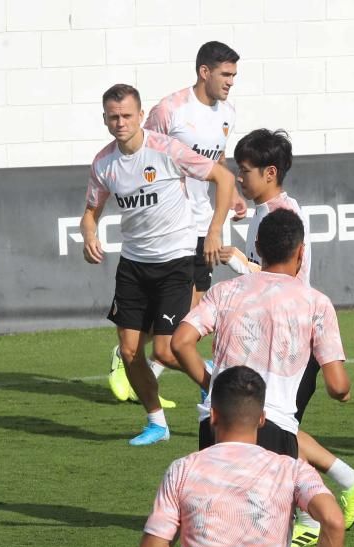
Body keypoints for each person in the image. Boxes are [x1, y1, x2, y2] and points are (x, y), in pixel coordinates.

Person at [222, 128, 354, 547]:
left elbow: (288, 281)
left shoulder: (283, 216)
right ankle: (348, 480)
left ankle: (310, 515)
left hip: (293, 345)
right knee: (276, 428)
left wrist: (236, 262)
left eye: (246, 171)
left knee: (277, 431)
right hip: (275, 342)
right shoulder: (264, 211)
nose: (239, 178)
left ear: (270, 173)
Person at [139, 365, 345, 547]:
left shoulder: (183, 470)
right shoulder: (291, 469)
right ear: (262, 419)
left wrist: (182, 522)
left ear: (212, 416)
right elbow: (333, 520)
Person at [82, 83, 235, 446]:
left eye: (126, 115)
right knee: (130, 351)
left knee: (165, 350)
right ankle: (157, 423)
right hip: (133, 265)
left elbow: (224, 178)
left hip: (174, 261)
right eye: (113, 117)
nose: (120, 122)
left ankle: (227, 395)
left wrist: (214, 230)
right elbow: (90, 213)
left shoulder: (166, 149)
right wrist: (89, 234)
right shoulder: (104, 163)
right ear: (105, 120)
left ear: (140, 115)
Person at [107, 41, 246, 406]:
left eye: (234, 75)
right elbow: (143, 155)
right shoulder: (169, 110)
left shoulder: (228, 112)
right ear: (205, 72)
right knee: (183, 326)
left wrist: (230, 195)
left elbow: (219, 162)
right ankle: (139, 362)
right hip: (178, 229)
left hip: (206, 224)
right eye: (226, 74)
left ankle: (143, 368)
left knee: (186, 320)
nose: (231, 81)